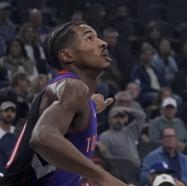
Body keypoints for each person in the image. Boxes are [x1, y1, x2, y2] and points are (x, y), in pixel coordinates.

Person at [0, 21, 125, 186]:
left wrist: (92, 107)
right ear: (67, 55)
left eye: (98, 37)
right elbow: (42, 137)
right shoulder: (71, 86)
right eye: (89, 38)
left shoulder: (78, 98)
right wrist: (103, 177)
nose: (103, 43)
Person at [98, 105, 147, 169]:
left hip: (137, 168)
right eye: (115, 117)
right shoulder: (105, 136)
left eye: (121, 118)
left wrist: (127, 110)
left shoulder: (130, 131)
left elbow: (142, 116)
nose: (119, 120)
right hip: (120, 169)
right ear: (109, 120)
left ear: (124, 120)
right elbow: (107, 157)